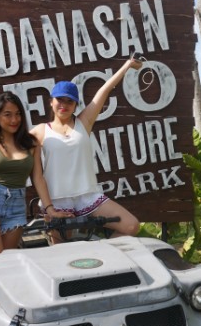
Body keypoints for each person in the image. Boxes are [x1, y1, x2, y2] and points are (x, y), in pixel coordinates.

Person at [31, 58, 143, 240]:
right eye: (60, 99)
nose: (64, 105)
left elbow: (104, 90)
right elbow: (17, 153)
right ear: (51, 101)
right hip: (56, 200)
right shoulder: (40, 131)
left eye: (70, 101)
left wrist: (128, 65)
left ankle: (100, 253)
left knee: (131, 225)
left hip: (88, 196)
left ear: (76, 105)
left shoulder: (84, 122)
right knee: (62, 250)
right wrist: (49, 207)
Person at [0, 92, 52, 255]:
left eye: (18, 114)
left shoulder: (31, 143)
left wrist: (49, 208)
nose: (14, 120)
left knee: (8, 260)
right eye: (7, 115)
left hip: (16, 205)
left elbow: (38, 178)